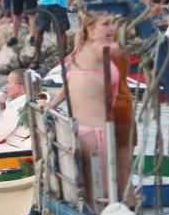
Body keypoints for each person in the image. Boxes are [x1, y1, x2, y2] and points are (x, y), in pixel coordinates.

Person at [48, 14, 132, 203]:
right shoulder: (97, 48)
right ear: (91, 29)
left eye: (113, 23)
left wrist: (52, 104)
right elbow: (123, 49)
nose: (112, 28)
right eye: (106, 24)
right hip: (97, 134)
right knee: (106, 191)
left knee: (93, 189)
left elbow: (68, 82)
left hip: (82, 130)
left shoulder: (81, 49)